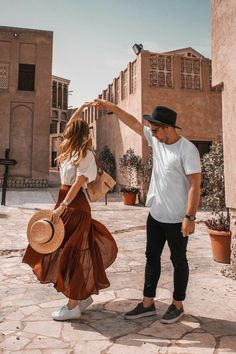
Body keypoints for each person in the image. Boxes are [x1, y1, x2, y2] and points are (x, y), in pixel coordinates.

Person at [90, 100, 201, 324]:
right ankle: (147, 303)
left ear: (168, 127)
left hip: (177, 219)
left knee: (178, 260)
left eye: (155, 129)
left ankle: (177, 305)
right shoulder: (157, 141)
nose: (152, 134)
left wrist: (190, 217)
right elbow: (131, 122)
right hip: (156, 215)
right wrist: (110, 105)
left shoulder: (187, 149)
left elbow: (194, 185)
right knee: (151, 257)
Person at [22, 105, 118, 321]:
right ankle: (81, 298)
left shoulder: (84, 155)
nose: (66, 132)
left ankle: (74, 304)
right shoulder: (72, 152)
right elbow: (70, 126)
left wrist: (63, 206)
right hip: (67, 203)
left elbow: (79, 182)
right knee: (66, 251)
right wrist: (82, 108)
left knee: (72, 254)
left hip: (75, 206)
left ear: (74, 134)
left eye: (69, 130)